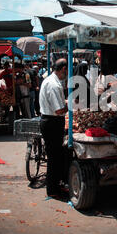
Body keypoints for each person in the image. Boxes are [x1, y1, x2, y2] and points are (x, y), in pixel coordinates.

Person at [39, 58, 68, 198]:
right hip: (52, 122)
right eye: (67, 70)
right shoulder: (53, 84)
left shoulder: (50, 80)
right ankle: (53, 190)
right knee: (54, 157)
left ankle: (56, 185)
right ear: (63, 69)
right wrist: (69, 106)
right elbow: (59, 111)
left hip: (50, 121)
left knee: (56, 156)